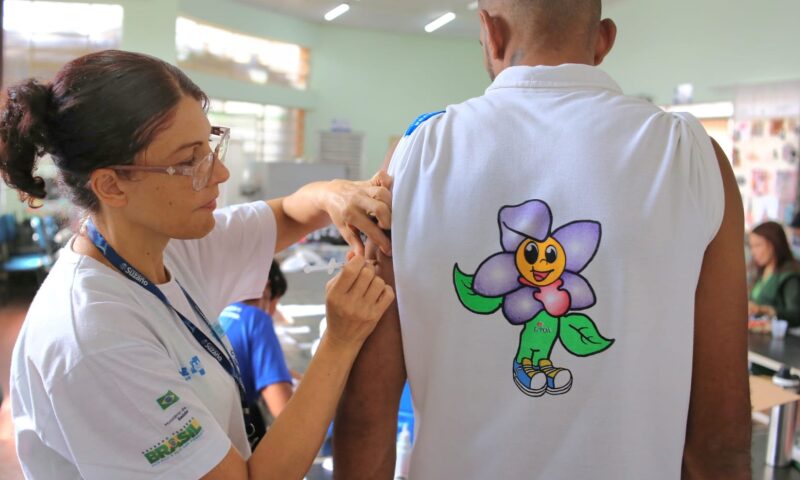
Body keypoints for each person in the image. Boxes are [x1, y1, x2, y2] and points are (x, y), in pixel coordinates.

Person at [333, 1, 750, 479]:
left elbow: (369, 408)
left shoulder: (414, 158)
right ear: (603, 40)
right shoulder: (693, 159)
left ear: (490, 33)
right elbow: (720, 438)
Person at [3, 50, 395, 479]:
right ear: (112, 185)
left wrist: (332, 193)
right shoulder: (95, 339)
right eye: (189, 160)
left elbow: (287, 215)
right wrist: (339, 341)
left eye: (210, 145)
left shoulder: (161, 246)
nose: (220, 172)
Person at [218, 260, 294, 432]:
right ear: (265, 288)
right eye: (276, 303)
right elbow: (284, 410)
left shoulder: (213, 312)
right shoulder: (256, 319)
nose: (273, 312)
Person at [748, 221, 800, 326]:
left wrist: (765, 310)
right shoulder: (761, 272)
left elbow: (796, 314)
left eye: (758, 245)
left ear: (774, 244)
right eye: (751, 247)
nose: (753, 252)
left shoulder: (789, 276)